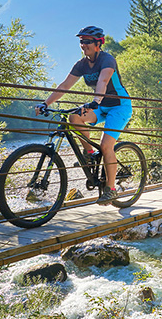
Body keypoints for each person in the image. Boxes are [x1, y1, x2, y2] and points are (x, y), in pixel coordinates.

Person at [36, 26, 132, 204]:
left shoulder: (107, 59)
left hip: (119, 106)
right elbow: (65, 85)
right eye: (81, 41)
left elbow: (103, 81)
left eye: (87, 41)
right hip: (101, 105)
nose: (83, 45)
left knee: (106, 146)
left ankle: (111, 190)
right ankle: (89, 152)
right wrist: (45, 103)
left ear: (98, 44)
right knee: (74, 117)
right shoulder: (81, 65)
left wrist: (95, 100)